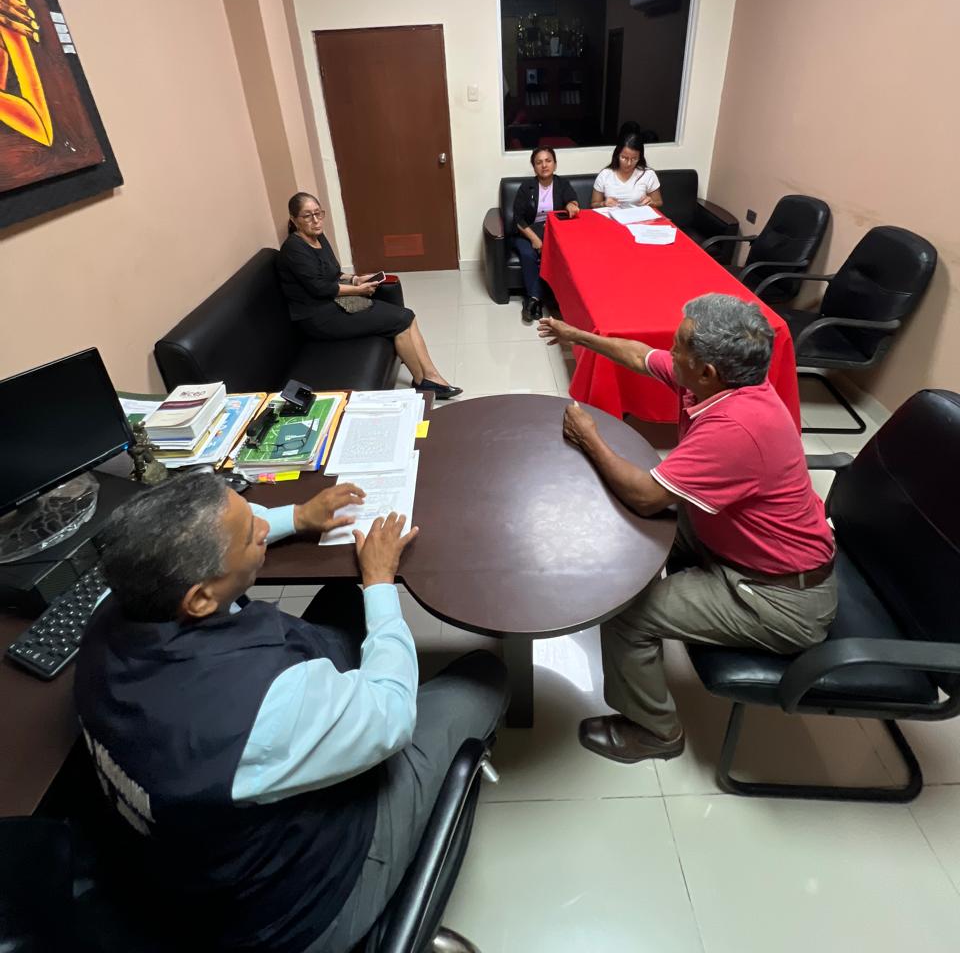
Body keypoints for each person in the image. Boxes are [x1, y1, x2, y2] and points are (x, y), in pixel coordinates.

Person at [74, 472, 509, 953]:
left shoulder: (113, 610)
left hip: (200, 867)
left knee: (340, 601)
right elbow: (391, 712)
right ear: (199, 599)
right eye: (250, 534)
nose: (262, 528)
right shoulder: (256, 708)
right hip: (302, 908)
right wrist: (381, 584)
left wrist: (298, 517)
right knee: (482, 679)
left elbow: (234, 533)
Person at [539, 294, 836, 765]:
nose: (670, 352)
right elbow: (639, 355)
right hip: (740, 544)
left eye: (678, 347)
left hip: (780, 597)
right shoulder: (724, 383)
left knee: (625, 614)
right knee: (626, 531)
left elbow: (646, 494)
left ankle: (656, 732)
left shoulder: (736, 427)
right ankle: (662, 623)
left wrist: (588, 436)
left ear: (707, 371)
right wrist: (576, 336)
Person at [278, 191, 461, 400]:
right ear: (294, 220)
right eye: (307, 216)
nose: (316, 220)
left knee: (408, 315)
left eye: (318, 213)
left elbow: (333, 274)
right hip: (318, 317)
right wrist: (358, 290)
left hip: (333, 303)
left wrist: (355, 279)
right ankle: (422, 382)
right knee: (400, 321)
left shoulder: (318, 237)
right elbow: (320, 288)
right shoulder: (294, 249)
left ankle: (431, 376)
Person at [511, 146, 581, 325]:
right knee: (528, 254)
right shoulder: (526, 187)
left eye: (548, 161)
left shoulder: (562, 184)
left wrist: (571, 205)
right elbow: (518, 219)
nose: (544, 165)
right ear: (534, 167)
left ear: (555, 164)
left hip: (552, 231)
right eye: (539, 162)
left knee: (559, 254)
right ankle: (536, 299)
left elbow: (572, 200)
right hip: (526, 232)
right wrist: (535, 239)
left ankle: (533, 301)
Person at [590, 132, 663, 209]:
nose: (629, 163)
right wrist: (604, 204)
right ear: (617, 155)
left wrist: (651, 203)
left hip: (638, 215)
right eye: (624, 158)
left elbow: (658, 202)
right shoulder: (605, 174)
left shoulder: (648, 174)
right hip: (612, 215)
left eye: (634, 159)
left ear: (640, 157)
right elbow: (594, 204)